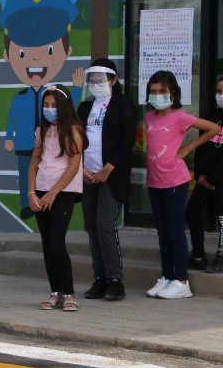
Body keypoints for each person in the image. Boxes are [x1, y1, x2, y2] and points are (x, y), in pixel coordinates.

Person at [0, 0, 84, 219]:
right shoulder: (21, 96)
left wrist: (77, 89)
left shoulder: (55, 96)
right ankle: (28, 201)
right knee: (26, 170)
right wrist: (9, 137)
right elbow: (12, 116)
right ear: (8, 55)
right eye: (23, 52)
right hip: (25, 141)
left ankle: (46, 197)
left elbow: (68, 108)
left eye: (48, 49)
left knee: (45, 168)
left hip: (50, 147)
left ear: (67, 51)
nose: (35, 58)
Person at [143, 70, 221, 299]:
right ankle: (167, 277)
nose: (157, 95)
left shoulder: (180, 117)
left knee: (175, 231)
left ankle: (181, 280)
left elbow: (213, 128)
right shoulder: (148, 118)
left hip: (174, 181)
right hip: (154, 182)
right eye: (153, 91)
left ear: (173, 93)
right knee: (162, 232)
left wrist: (188, 148)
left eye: (162, 91)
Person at [77, 59, 138, 301]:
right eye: (92, 81)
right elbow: (75, 140)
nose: (95, 85)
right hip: (87, 174)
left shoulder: (123, 104)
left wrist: (108, 168)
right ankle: (99, 278)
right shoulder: (84, 107)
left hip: (112, 175)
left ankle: (115, 279)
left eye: (100, 80)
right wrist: (81, 168)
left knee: (105, 224)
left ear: (113, 80)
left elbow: (128, 140)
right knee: (91, 226)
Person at [27, 85, 87, 312]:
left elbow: (73, 166)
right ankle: (55, 292)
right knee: (46, 244)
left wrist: (54, 193)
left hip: (63, 192)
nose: (49, 110)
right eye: (46, 105)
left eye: (54, 106)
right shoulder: (42, 131)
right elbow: (34, 163)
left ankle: (69, 292)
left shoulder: (73, 130)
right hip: (41, 190)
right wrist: (32, 192)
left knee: (56, 242)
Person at [185, 75, 223, 273]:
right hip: (204, 178)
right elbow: (201, 147)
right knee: (192, 212)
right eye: (219, 91)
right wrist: (199, 174)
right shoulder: (210, 116)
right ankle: (198, 254)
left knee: (222, 218)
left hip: (219, 180)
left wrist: (215, 181)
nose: (221, 95)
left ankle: (221, 256)